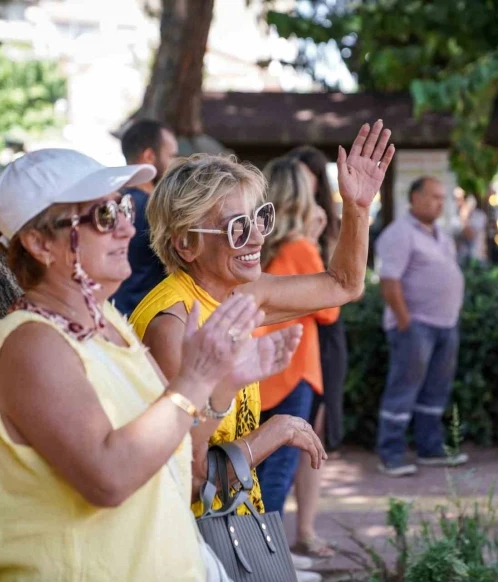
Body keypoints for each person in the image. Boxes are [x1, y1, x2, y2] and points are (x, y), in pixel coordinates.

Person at [0, 148, 303, 581]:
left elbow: (181, 470)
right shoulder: (32, 344)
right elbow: (108, 478)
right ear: (39, 244)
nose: (128, 226)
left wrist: (222, 387)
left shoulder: (110, 325)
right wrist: (198, 377)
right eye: (104, 216)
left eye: (125, 207)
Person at [129, 121, 393, 517]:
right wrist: (274, 433)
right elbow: (187, 480)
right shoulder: (171, 325)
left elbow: (344, 285)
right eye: (237, 228)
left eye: (259, 219)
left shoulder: (240, 295)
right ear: (186, 244)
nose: (256, 238)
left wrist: (356, 207)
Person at [254, 156, 339, 566]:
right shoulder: (301, 247)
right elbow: (330, 310)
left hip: (259, 371)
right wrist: (319, 241)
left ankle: (260, 553)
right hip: (294, 370)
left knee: (257, 469)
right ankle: (269, 560)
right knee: (280, 471)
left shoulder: (257, 246)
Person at [374, 176, 467, 477]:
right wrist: (405, 322)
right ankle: (390, 453)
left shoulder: (442, 234)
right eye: (433, 197)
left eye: (442, 198)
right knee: (403, 389)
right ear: (413, 197)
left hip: (445, 325)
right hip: (415, 326)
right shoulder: (399, 234)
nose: (439, 203)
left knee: (435, 391)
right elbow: (389, 282)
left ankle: (430, 448)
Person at [287, 146, 348, 559]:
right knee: (286, 430)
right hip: (297, 329)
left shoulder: (328, 226)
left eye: (312, 186)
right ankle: (275, 531)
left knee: (314, 432)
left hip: (325, 333)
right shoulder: (286, 234)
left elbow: (343, 284)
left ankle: (305, 529)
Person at [110, 120, 178, 316]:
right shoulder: (157, 210)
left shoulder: (105, 206)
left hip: (112, 316)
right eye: (172, 155)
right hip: (147, 323)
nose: (175, 163)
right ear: (149, 156)